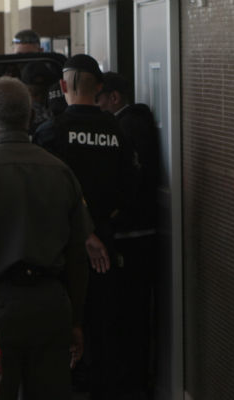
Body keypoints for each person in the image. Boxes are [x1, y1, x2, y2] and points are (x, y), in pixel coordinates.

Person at [0, 76, 94, 400]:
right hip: (52, 308)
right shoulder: (61, 172)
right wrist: (75, 320)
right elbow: (79, 256)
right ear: (30, 116)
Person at [33, 54, 138, 400]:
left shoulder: (50, 132)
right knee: (105, 332)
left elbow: (44, 196)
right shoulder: (117, 132)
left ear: (63, 86)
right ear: (99, 88)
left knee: (65, 336)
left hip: (62, 249)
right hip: (107, 245)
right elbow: (131, 190)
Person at [94, 71, 161, 397]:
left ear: (114, 98)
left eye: (99, 98)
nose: (96, 106)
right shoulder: (135, 125)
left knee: (127, 318)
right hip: (139, 235)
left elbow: (129, 185)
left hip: (133, 239)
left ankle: (129, 385)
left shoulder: (126, 128)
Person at [21, 61, 57, 136]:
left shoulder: (57, 110)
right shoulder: (20, 118)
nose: (40, 99)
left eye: (44, 94)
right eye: (35, 94)